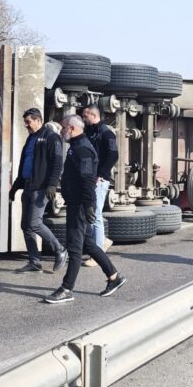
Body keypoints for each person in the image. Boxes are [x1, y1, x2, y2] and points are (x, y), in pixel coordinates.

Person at [43, 115, 126, 304]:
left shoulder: (84, 150)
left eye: (63, 128)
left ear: (72, 128)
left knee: (74, 246)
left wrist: (89, 204)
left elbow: (88, 180)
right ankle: (114, 277)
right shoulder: (76, 147)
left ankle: (66, 289)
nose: (61, 131)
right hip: (75, 203)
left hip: (80, 204)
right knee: (87, 243)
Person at [8, 108, 69, 273]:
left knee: (34, 223)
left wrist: (52, 184)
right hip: (28, 186)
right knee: (26, 226)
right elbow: (25, 165)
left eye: (28, 122)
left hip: (41, 188)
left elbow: (57, 162)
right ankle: (34, 261)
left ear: (38, 120)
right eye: (25, 122)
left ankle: (60, 250)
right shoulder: (31, 138)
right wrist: (15, 187)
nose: (26, 125)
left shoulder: (51, 137)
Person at [81, 105, 117, 263]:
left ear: (92, 115)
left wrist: (101, 174)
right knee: (90, 215)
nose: (83, 118)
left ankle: (97, 255)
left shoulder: (106, 133)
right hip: (90, 179)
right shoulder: (89, 132)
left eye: (84, 115)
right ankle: (102, 242)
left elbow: (113, 155)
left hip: (99, 180)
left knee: (95, 215)